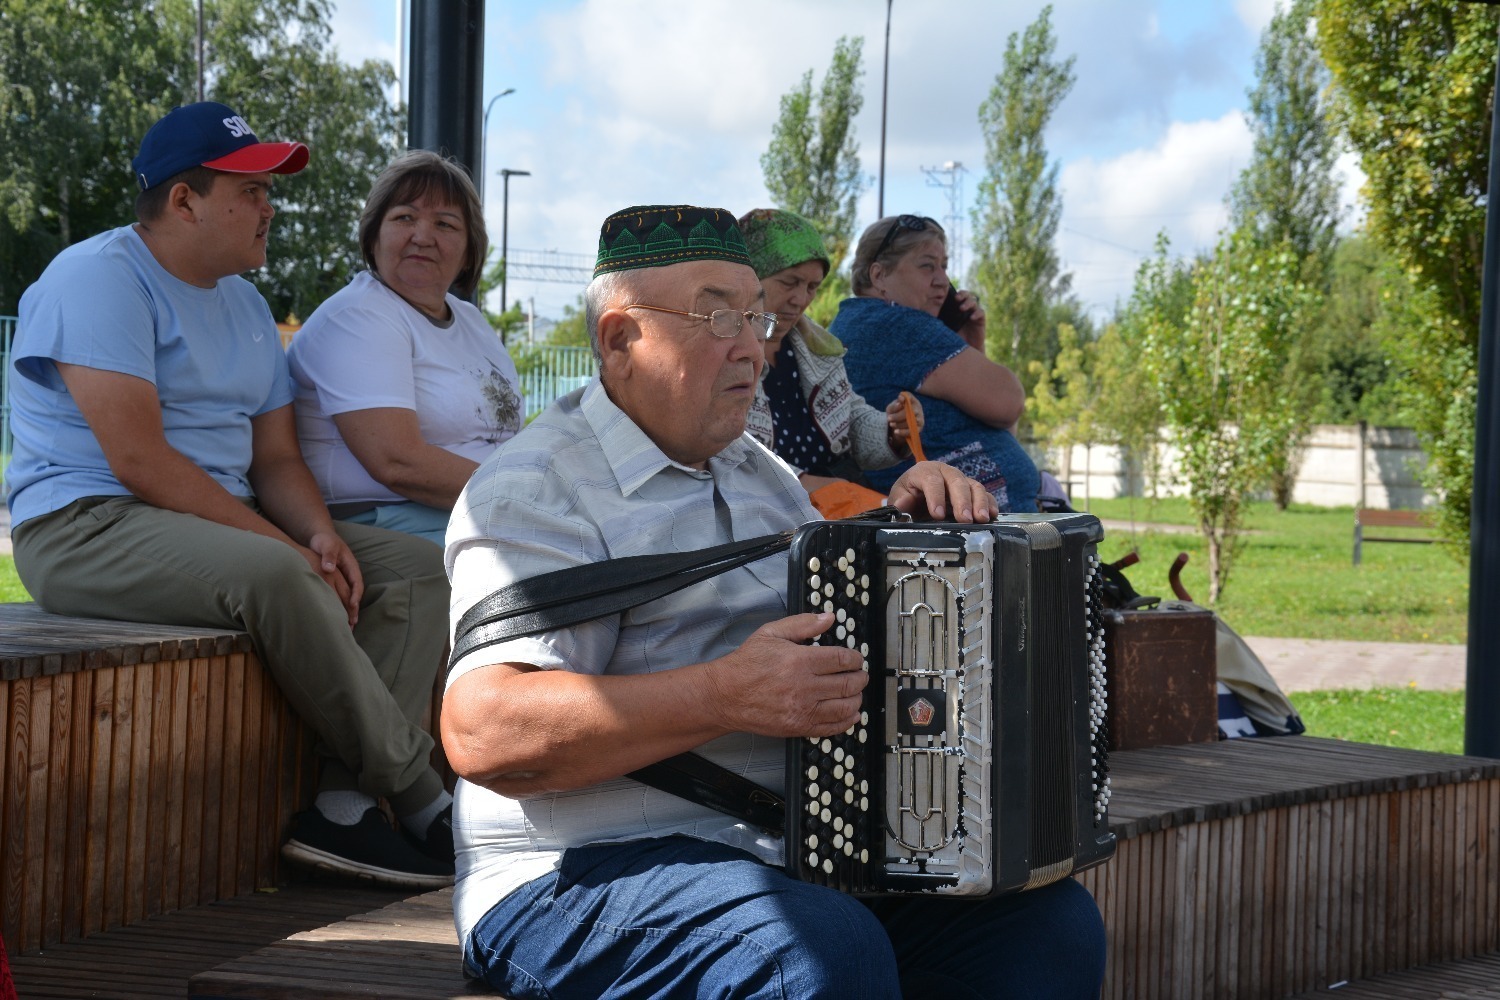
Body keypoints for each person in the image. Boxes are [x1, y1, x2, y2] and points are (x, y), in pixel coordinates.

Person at [442, 204, 1107, 999]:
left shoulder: (760, 472)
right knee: (815, 950)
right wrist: (722, 694)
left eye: (755, 317)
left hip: (780, 854)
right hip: (571, 871)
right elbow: (485, 731)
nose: (753, 348)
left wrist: (915, 522)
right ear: (621, 340)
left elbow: (846, 610)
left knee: (1047, 928)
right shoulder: (534, 487)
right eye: (716, 316)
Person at [5, 102, 455, 889]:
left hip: (212, 526)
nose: (269, 207)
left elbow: (275, 458)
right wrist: (287, 552)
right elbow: (140, 460)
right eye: (251, 190)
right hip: (85, 525)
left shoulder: (247, 304)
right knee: (281, 575)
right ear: (185, 201)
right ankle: (423, 797)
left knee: (419, 569)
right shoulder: (96, 277)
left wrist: (317, 534)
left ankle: (343, 809)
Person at [288, 150, 523, 545]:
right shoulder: (358, 315)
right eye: (404, 218)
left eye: (445, 224)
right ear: (373, 235)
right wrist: (526, 497)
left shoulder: (471, 320)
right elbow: (398, 463)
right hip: (383, 519)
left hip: (475, 510)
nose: (423, 236)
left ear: (469, 250)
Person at [830, 214, 1041, 513]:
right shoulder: (898, 325)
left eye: (944, 266)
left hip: (971, 515)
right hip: (967, 521)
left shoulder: (857, 322)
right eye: (927, 266)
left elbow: (999, 421)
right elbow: (1009, 403)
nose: (943, 280)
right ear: (879, 276)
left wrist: (970, 343)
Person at [737, 208, 921, 503]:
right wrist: (800, 481)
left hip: (837, 503)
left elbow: (850, 421)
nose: (801, 299)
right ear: (749, 278)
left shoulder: (819, 350)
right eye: (789, 282)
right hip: (767, 509)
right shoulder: (723, 353)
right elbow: (722, 448)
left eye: (812, 287)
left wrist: (893, 430)